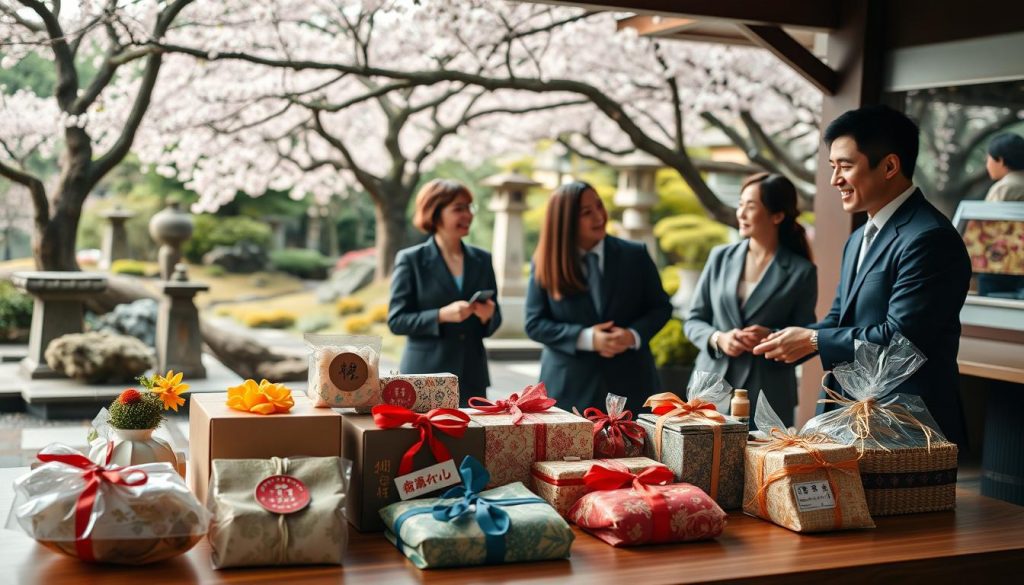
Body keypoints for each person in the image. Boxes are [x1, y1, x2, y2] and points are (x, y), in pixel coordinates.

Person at [753, 104, 972, 447]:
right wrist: (783, 336)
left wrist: (812, 341)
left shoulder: (930, 237)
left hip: (908, 428)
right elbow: (840, 318)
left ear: (889, 166)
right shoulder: (858, 238)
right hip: (853, 417)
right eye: (832, 166)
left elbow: (902, 340)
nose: (834, 179)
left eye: (845, 166)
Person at [525, 181, 672, 413]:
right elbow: (534, 324)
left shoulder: (635, 255)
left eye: (599, 206)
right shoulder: (545, 262)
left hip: (632, 387)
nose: (599, 216)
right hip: (567, 389)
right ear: (566, 222)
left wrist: (632, 335)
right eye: (586, 212)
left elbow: (661, 307)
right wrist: (586, 338)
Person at [684, 173, 817, 427]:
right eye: (740, 204)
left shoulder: (802, 272)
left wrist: (771, 336)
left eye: (751, 206)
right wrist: (719, 338)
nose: (741, 213)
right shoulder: (720, 257)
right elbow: (693, 321)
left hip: (768, 395)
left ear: (777, 215)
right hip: (710, 388)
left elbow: (807, 337)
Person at [388, 179, 501, 405]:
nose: (468, 215)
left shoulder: (482, 259)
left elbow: (495, 318)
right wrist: (440, 315)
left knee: (473, 441)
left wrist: (489, 316)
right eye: (459, 208)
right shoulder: (411, 260)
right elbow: (397, 320)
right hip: (425, 378)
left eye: (469, 207)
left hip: (472, 378)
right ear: (435, 212)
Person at [984, 133, 1024, 202]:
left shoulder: (1005, 187)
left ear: (1000, 161)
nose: (987, 166)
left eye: (988, 159)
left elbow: (991, 212)